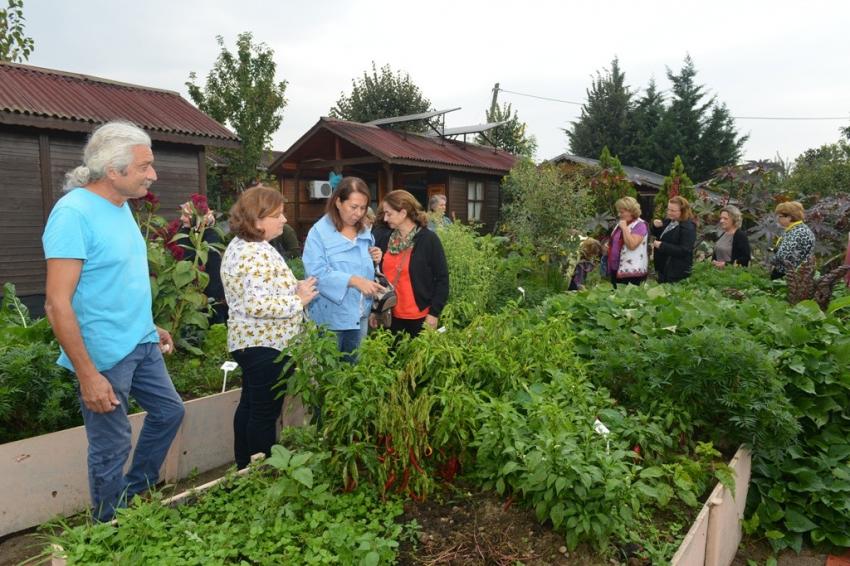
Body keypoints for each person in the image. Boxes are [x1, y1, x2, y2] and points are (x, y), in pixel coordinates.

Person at [42, 121, 185, 522]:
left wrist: (150, 324)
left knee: (170, 412)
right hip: (103, 352)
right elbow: (56, 303)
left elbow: (115, 280)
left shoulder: (121, 208)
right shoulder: (73, 214)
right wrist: (88, 374)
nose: (152, 175)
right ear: (113, 170)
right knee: (112, 443)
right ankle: (108, 526)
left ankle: (134, 494)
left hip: (139, 340)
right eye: (144, 167)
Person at [221, 186, 318, 469]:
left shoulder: (245, 245)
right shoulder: (254, 254)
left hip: (252, 341)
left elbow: (259, 293)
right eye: (278, 214)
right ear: (258, 219)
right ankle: (260, 472)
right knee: (264, 413)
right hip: (265, 344)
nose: (284, 220)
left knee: (251, 405)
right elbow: (256, 304)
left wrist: (294, 289)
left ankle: (243, 467)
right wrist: (297, 301)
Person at [302, 177, 383, 357]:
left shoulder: (364, 231)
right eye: (353, 207)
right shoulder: (319, 232)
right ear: (338, 202)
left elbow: (367, 267)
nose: (358, 213)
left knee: (353, 372)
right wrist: (353, 280)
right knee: (330, 375)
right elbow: (315, 273)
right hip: (332, 318)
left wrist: (375, 258)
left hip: (360, 313)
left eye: (363, 208)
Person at [372, 190, 449, 337]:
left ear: (403, 213)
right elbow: (378, 277)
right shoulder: (385, 239)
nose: (386, 219)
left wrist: (434, 313)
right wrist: (375, 311)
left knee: (416, 358)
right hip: (390, 315)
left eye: (389, 214)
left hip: (419, 316)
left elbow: (442, 279)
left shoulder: (428, 240)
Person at [177, 197, 228, 324]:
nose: (181, 219)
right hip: (191, 291)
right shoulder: (187, 231)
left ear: (197, 217)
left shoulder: (210, 234)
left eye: (185, 215)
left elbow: (198, 259)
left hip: (210, 293)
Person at [651, 196, 697, 283]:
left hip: (676, 272)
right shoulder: (669, 221)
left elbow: (684, 250)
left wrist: (662, 246)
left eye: (673, 211)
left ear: (683, 211)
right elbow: (661, 236)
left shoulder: (688, 227)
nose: (669, 213)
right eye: (668, 209)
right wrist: (655, 227)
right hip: (664, 269)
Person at [606, 196, 649, 287]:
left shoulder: (640, 225)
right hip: (616, 269)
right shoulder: (622, 223)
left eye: (622, 212)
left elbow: (632, 245)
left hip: (631, 273)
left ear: (631, 212)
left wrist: (624, 228)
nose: (619, 214)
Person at [770, 201, 815, 279]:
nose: (778, 219)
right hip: (799, 273)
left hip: (788, 275)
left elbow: (783, 254)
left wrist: (772, 261)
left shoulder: (797, 232)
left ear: (789, 217)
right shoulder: (801, 229)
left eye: (780, 216)